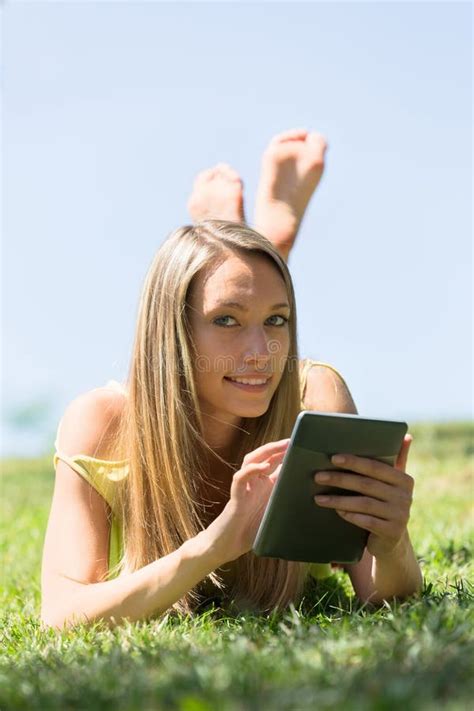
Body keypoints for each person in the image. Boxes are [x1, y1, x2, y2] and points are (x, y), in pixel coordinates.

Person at [41, 130, 422, 631]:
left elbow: (386, 596)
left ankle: (239, 244)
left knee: (245, 297)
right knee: (241, 293)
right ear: (173, 331)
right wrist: (216, 543)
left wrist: (389, 543)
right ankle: (245, 237)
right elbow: (63, 616)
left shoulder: (314, 397)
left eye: (278, 321)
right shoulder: (103, 423)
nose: (262, 353)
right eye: (225, 321)